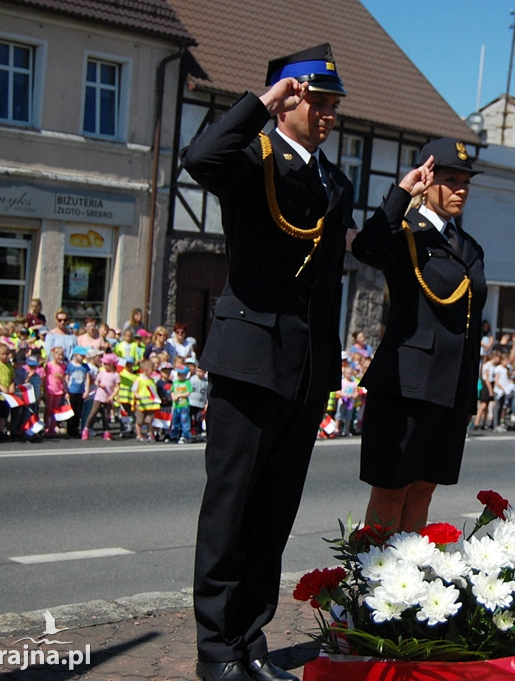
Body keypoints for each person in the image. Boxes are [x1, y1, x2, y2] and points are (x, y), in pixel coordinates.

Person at [180, 43, 354, 681]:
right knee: (230, 507)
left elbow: (329, 283)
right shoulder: (254, 156)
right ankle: (215, 650)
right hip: (250, 357)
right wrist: (261, 102)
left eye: (336, 104)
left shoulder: (334, 181)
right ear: (293, 97)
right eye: (322, 101)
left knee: (274, 512)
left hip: (303, 369)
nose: (332, 114)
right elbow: (199, 157)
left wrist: (327, 372)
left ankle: (251, 640)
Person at [351, 136, 487, 533]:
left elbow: (470, 322)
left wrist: (469, 391)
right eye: (450, 179)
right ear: (429, 182)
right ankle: (376, 581)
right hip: (406, 385)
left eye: (465, 181)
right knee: (391, 490)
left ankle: (412, 581)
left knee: (425, 488)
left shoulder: (470, 246)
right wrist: (402, 192)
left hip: (450, 387)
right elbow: (367, 248)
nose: (461, 188)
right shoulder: (406, 233)